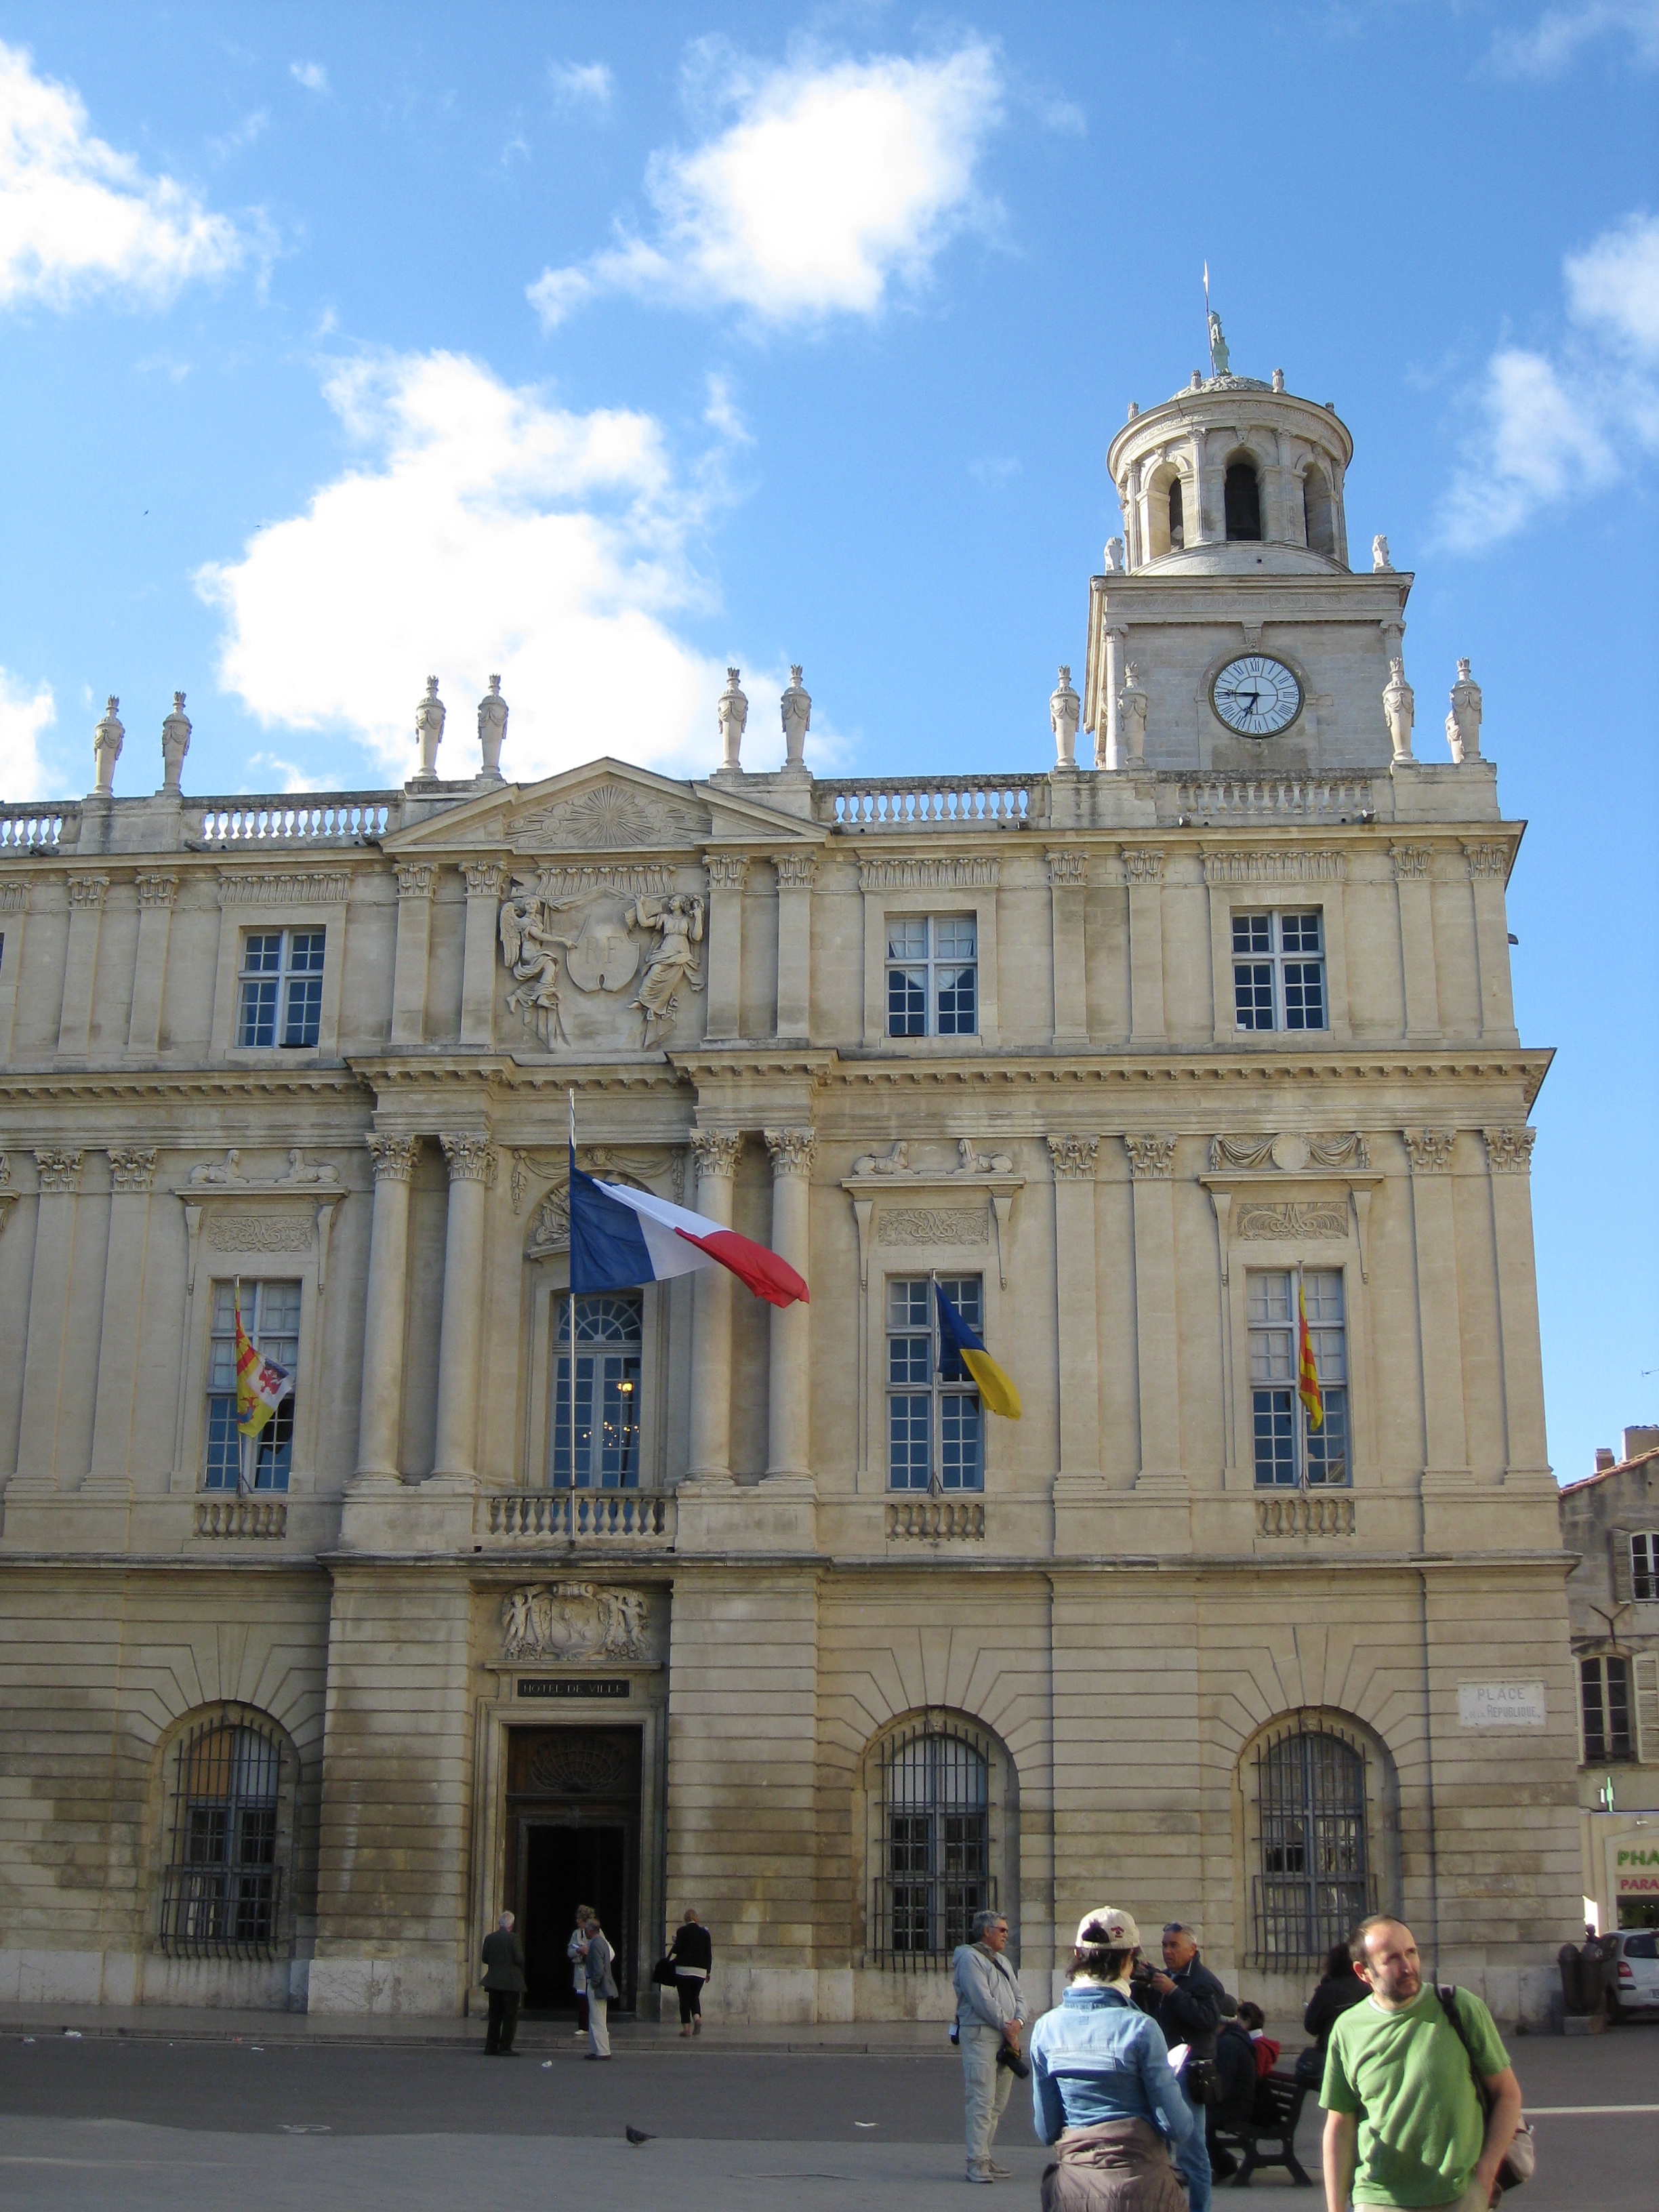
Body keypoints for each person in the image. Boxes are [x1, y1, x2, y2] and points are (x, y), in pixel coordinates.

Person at [1321, 1914, 1524, 2212]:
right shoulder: (1348, 2029)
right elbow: (1339, 2124)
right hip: (1379, 2197)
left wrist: (1486, 2172)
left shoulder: (1459, 2008)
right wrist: (1335, 2208)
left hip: (1459, 2195)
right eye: (1392, 1959)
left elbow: (1507, 2093)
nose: (1407, 1967)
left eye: (1411, 1952)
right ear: (1363, 1972)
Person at [1029, 1907, 1196, 2210]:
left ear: (1077, 1956)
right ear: (1129, 1961)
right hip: (1142, 2190)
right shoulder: (1141, 2028)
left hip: (1074, 2192)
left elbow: (1046, 2129)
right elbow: (1178, 2126)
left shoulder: (1045, 2029)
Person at [1135, 1922, 1225, 2212]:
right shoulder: (1168, 1976)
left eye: (1174, 1945)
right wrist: (1147, 1984)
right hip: (1166, 2069)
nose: (1167, 1951)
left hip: (1192, 2072)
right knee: (1160, 2144)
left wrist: (1173, 1992)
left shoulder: (1204, 1981)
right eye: (1164, 1945)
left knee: (1192, 2151)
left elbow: (1208, 2021)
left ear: (1192, 1949)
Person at [951, 1906, 1029, 2185]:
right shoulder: (969, 1959)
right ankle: (976, 2161)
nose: (1007, 1935)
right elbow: (982, 1999)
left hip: (1005, 2037)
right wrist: (1008, 2026)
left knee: (997, 2103)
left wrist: (1019, 2021)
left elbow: (1020, 1997)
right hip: (981, 2036)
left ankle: (985, 2154)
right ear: (987, 1931)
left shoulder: (1003, 1962)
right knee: (981, 2099)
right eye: (1002, 1930)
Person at [1204, 2007, 1262, 2182]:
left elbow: (1223, 2085)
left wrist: (1205, 2097)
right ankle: (1222, 2163)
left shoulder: (1229, 2044)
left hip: (1236, 2108)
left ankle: (1223, 2165)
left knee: (1198, 2119)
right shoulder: (1233, 2038)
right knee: (1198, 2116)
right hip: (1240, 2103)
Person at [1303, 1940, 1368, 2079]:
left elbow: (1311, 2026)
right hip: (1364, 2053)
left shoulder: (1327, 1991)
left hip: (1331, 2054)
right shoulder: (1370, 1988)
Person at [480, 1910, 526, 2057]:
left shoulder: (490, 1938)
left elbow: (485, 1958)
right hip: (511, 1983)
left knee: (494, 2016)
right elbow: (519, 1958)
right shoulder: (514, 1938)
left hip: (494, 1982)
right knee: (510, 2016)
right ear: (511, 1924)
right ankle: (505, 2047)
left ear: (500, 1924)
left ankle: (491, 2046)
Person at [668, 1908, 712, 2038]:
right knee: (694, 1996)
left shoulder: (682, 1931)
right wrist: (708, 1971)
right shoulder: (705, 1933)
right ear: (696, 1919)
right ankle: (697, 2018)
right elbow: (708, 1954)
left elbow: (677, 1950)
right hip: (700, 1971)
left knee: (684, 1999)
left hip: (683, 1970)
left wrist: (676, 1942)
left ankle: (686, 2029)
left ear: (686, 1919)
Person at [583, 1910, 619, 2060]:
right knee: (596, 2018)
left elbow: (599, 1969)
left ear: (590, 1930)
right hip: (600, 1984)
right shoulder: (602, 1942)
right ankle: (597, 2049)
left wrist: (593, 1984)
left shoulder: (596, 1944)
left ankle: (602, 2051)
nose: (585, 1932)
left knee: (597, 2019)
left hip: (596, 1985)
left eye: (586, 1930)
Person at [567, 1904, 594, 2039]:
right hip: (581, 1970)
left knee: (594, 2000)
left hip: (593, 1970)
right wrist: (579, 1950)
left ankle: (595, 2027)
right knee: (582, 1999)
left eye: (579, 1919)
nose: (577, 1921)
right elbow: (570, 1952)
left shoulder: (597, 1933)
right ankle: (583, 2027)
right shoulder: (576, 1934)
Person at [1237, 1999, 1280, 2077]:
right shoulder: (1257, 2041)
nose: (1237, 2025)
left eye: (1239, 2022)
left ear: (1248, 2021)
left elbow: (1257, 2074)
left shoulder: (1258, 2045)